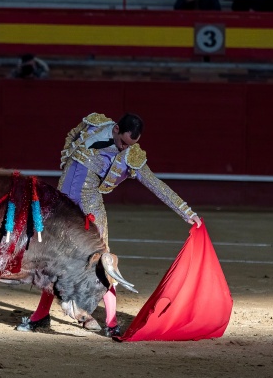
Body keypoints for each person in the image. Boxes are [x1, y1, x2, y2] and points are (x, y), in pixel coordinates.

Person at [16, 112, 202, 337]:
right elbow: (72, 135)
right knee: (52, 259)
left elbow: (155, 184)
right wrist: (65, 159)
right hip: (61, 207)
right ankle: (41, 316)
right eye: (123, 142)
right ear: (115, 129)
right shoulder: (93, 124)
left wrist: (187, 212)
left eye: (130, 144)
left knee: (103, 262)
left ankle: (112, 322)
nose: (125, 148)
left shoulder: (131, 155)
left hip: (89, 210)